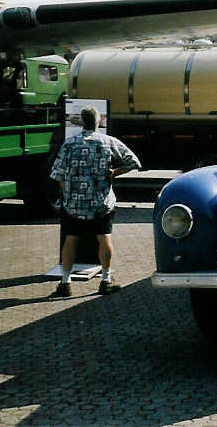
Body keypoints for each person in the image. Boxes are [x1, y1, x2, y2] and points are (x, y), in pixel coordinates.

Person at [48, 106, 140, 297]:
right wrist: (114, 173)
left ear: (81, 122)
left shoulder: (69, 144)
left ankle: (65, 283)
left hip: (74, 204)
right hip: (101, 203)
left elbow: (57, 174)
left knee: (71, 239)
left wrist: (68, 194)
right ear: (98, 122)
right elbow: (133, 161)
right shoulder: (108, 142)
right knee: (103, 238)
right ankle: (106, 280)